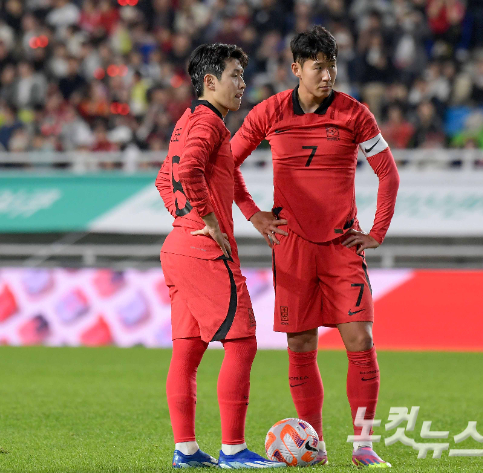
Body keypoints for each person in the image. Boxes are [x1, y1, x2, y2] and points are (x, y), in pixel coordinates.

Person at [230, 26, 400, 468]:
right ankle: (315, 445)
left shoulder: (355, 113)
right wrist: (254, 214)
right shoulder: (268, 112)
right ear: (296, 69)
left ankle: (363, 445)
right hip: (292, 247)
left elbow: (388, 173)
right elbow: (226, 163)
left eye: (332, 67)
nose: (327, 76)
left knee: (360, 338)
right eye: (318, 68)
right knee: (301, 344)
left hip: (343, 246)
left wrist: (377, 232)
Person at [155, 43, 285, 469]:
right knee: (242, 340)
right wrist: (208, 219)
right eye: (235, 76)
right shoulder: (209, 122)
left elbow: (165, 179)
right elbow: (190, 170)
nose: (242, 85)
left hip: (177, 248)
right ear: (210, 82)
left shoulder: (189, 121)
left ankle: (186, 450)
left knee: (188, 353)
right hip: (204, 253)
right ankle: (233, 450)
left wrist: (249, 216)